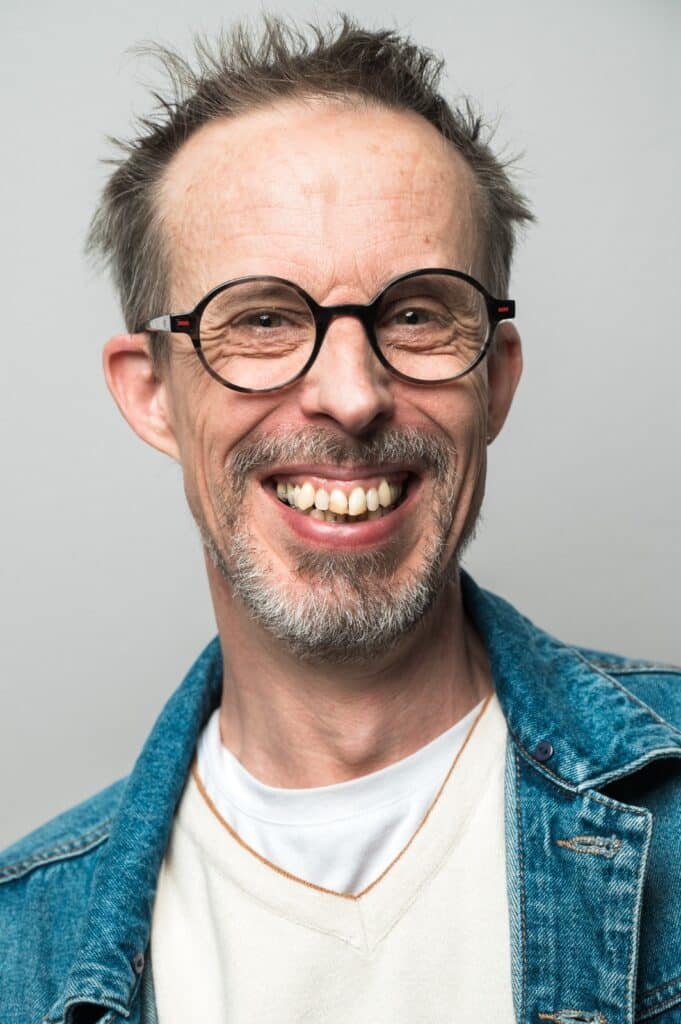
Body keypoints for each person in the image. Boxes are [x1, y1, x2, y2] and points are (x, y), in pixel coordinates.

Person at [1, 16, 680, 1024]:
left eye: (416, 312)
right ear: (151, 393)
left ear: (495, 378)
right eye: (265, 318)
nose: (352, 396)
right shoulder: (22, 954)